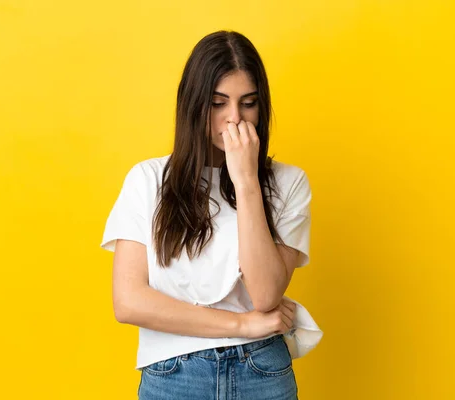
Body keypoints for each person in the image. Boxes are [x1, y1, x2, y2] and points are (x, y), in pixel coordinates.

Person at [101, 30, 322, 400]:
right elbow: (129, 301)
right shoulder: (148, 180)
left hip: (262, 370)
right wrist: (240, 323)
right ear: (194, 105)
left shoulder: (289, 182)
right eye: (218, 103)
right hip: (174, 372)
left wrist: (247, 180)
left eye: (247, 103)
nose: (233, 118)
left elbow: (266, 294)